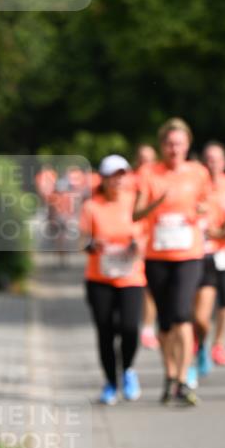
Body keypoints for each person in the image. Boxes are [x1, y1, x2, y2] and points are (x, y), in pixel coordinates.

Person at [133, 118, 211, 406]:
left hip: (188, 254)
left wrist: (202, 209)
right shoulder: (148, 173)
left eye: (179, 143)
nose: (174, 148)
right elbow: (136, 213)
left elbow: (207, 203)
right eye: (168, 143)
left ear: (187, 145)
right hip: (157, 255)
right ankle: (170, 377)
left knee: (181, 314)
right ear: (161, 146)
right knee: (165, 322)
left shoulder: (198, 172)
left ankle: (183, 377)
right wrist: (157, 203)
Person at [80, 155, 146, 405]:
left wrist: (137, 246)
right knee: (105, 331)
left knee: (130, 329)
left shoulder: (135, 203)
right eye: (112, 175)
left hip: (131, 277)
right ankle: (110, 382)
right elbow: (81, 239)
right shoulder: (91, 206)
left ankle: (127, 369)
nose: (118, 180)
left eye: (122, 175)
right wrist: (91, 244)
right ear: (103, 179)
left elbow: (145, 234)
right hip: (100, 277)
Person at [194, 142, 225, 374]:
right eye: (208, 159)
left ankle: (218, 345)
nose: (212, 163)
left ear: (224, 162)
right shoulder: (195, 184)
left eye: (216, 159)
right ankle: (200, 343)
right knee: (201, 314)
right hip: (200, 252)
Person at [128, 145, 160, 350]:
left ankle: (148, 327)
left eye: (149, 159)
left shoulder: (159, 179)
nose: (144, 163)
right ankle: (135, 323)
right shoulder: (129, 180)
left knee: (151, 286)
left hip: (155, 239)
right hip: (133, 237)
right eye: (141, 158)